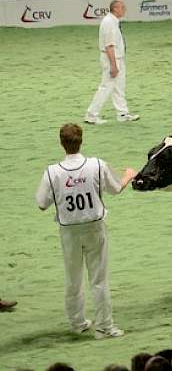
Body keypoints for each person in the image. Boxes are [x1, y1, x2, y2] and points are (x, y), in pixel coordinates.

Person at [36, 123, 135, 338]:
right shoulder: (97, 165)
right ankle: (105, 327)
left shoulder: (51, 172)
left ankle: (78, 322)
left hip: (69, 232)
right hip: (95, 228)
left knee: (73, 279)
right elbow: (116, 188)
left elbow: (41, 203)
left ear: (61, 143)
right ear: (81, 140)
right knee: (99, 280)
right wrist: (128, 175)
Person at [85, 0, 139, 124]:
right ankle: (91, 114)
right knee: (106, 87)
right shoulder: (110, 23)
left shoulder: (112, 21)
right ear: (115, 8)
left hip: (117, 58)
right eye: (122, 7)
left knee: (118, 87)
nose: (124, 9)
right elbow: (109, 46)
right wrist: (114, 65)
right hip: (112, 59)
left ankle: (122, 113)